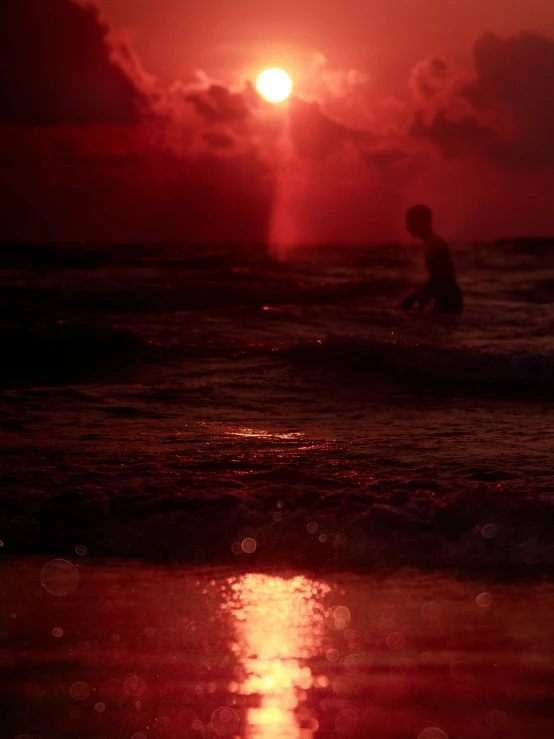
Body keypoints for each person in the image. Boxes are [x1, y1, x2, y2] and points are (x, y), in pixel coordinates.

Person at [400, 205, 463, 314]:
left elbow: (436, 280)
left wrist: (419, 304)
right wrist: (415, 298)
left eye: (409, 223)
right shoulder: (434, 243)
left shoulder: (433, 245)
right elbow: (435, 279)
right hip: (450, 298)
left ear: (419, 223)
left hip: (448, 299)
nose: (407, 228)